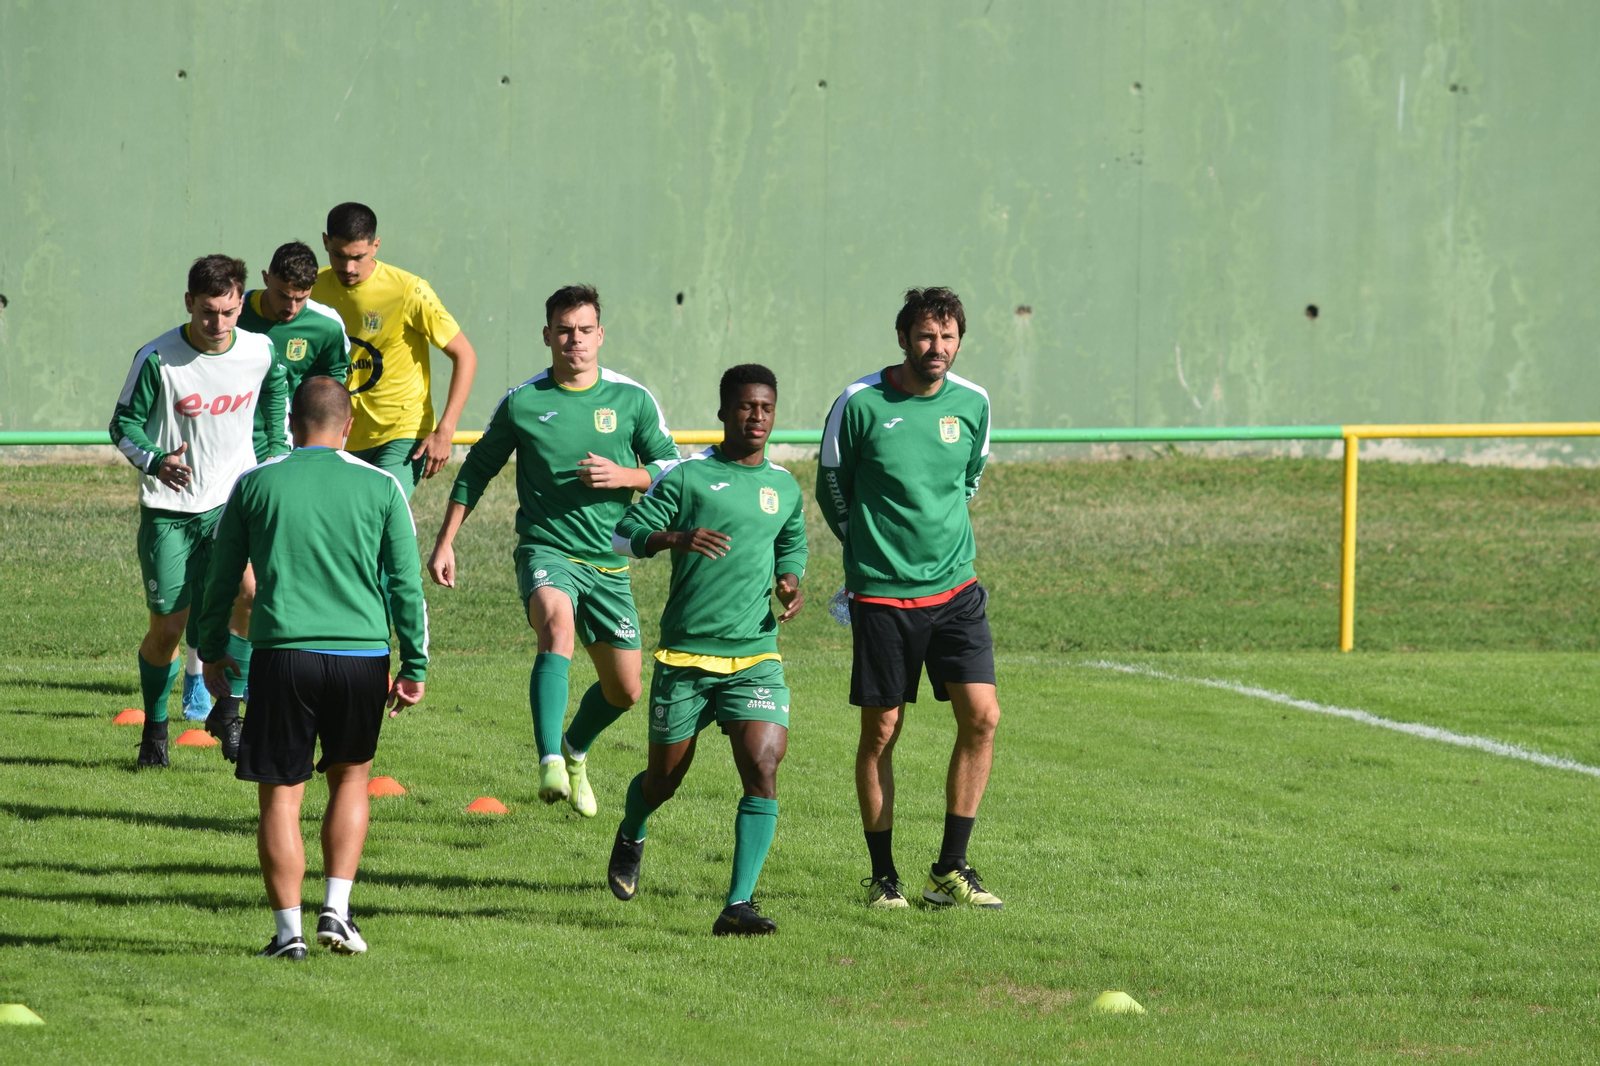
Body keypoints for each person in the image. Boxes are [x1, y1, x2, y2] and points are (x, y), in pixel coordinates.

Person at [197, 376, 429, 960]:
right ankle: (337, 911)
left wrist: (211, 649)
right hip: (362, 659)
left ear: (291, 425)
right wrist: (415, 663)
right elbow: (406, 584)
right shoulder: (381, 486)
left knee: (281, 796)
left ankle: (288, 934)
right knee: (350, 778)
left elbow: (221, 579)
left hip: (283, 656)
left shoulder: (255, 484)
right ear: (348, 425)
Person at [429, 285, 678, 814]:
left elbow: (672, 470)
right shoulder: (524, 402)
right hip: (547, 550)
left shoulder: (631, 399)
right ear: (547, 335)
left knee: (626, 692)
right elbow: (475, 472)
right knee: (556, 630)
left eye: (585, 330)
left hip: (609, 561)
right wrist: (446, 541)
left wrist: (625, 476)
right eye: (564, 330)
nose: (575, 341)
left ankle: (573, 748)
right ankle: (548, 761)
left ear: (600, 335)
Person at [816, 286, 1004, 910]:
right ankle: (882, 878)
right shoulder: (859, 403)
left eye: (949, 337)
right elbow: (832, 489)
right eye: (927, 336)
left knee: (982, 716)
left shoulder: (973, 403)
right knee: (883, 731)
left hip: (957, 589)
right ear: (903, 338)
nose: (938, 348)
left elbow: (968, 480)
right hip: (883, 596)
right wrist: (870, 551)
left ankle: (950, 869)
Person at [607, 364, 806, 936]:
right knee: (663, 780)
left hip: (755, 654)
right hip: (687, 658)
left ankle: (737, 905)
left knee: (763, 766)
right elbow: (624, 533)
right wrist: (674, 537)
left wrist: (790, 580)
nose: (757, 417)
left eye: (766, 407)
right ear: (723, 411)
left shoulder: (784, 486)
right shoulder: (688, 478)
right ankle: (633, 828)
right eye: (746, 407)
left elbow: (791, 541)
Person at [109, 254, 286, 769]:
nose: (219, 324)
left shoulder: (259, 350)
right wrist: (158, 461)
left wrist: (274, 455)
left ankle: (229, 715)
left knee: (249, 594)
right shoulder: (158, 358)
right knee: (169, 629)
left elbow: (275, 396)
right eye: (208, 312)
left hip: (232, 506)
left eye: (229, 312)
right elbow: (123, 426)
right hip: (170, 512)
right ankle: (155, 733)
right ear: (189, 303)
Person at [177, 241, 352, 726]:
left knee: (258, 582)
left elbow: (334, 392)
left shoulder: (325, 325)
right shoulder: (232, 313)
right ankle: (201, 679)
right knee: (219, 578)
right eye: (281, 295)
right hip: (223, 459)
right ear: (265, 278)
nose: (289, 307)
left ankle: (237, 688)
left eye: (299, 298)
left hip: (286, 460)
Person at [310, 201, 477, 497]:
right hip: (340, 434)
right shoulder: (313, 288)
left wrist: (446, 429)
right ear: (325, 242)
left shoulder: (408, 290)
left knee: (381, 511)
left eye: (358, 257)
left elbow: (464, 354)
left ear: (376, 246)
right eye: (338, 255)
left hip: (401, 433)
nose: (348, 267)